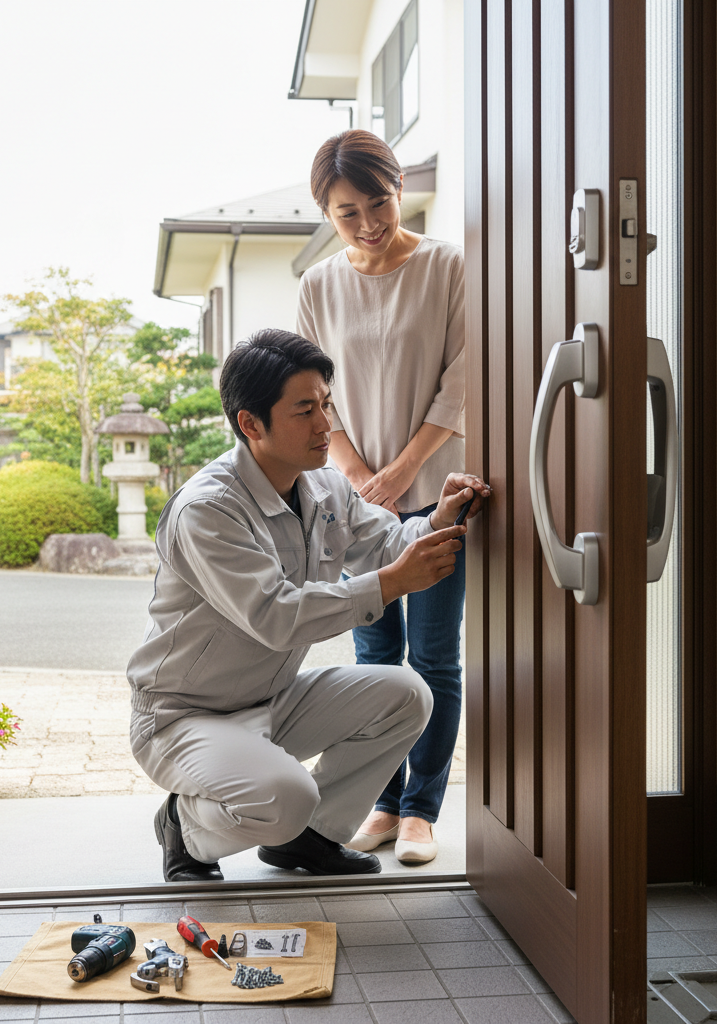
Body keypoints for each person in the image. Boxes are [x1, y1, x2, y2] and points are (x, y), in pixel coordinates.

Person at [127, 329, 488, 882]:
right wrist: (390, 584)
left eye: (326, 404)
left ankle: (310, 840)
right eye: (304, 410)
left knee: (408, 694)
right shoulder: (208, 509)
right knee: (285, 797)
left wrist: (438, 519)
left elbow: (384, 542)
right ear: (251, 424)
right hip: (184, 716)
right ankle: (185, 826)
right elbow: (276, 616)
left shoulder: (323, 485)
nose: (325, 425)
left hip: (271, 699)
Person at [296, 129, 468, 864]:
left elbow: (463, 379)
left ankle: (423, 809)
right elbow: (312, 395)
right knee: (373, 656)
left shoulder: (448, 267)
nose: (367, 222)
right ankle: (383, 800)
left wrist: (402, 471)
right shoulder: (318, 286)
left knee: (432, 655)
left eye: (379, 202)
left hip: (433, 493)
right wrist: (362, 474)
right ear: (326, 214)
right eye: (347, 212)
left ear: (400, 189)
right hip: (351, 499)